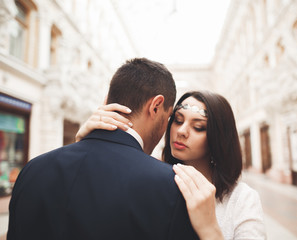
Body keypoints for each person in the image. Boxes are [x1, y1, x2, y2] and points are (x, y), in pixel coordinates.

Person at [7, 58, 199, 240]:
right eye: (168, 119)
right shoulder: (170, 187)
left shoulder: (32, 169)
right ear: (156, 106)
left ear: (107, 100)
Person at [77, 90, 266, 239]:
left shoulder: (242, 200)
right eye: (177, 120)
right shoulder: (149, 179)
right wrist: (86, 143)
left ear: (218, 138)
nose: (182, 131)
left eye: (198, 127)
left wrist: (209, 230)